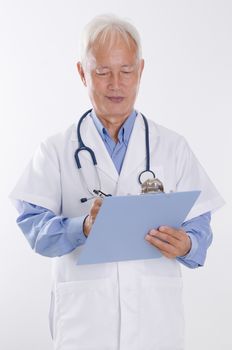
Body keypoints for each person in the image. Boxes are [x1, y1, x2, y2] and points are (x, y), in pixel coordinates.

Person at [10, 14, 224, 350]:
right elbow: (33, 226)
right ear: (82, 73)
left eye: (126, 71)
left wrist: (187, 245)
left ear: (140, 71)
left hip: (156, 323)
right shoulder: (55, 150)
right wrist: (82, 227)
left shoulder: (172, 146)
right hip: (85, 323)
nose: (116, 84)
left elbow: (200, 228)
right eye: (103, 72)